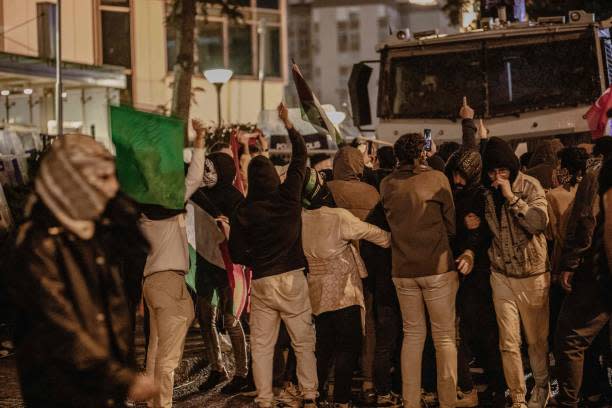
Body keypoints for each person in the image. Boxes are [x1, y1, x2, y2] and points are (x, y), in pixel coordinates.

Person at [6, 134, 158, 407]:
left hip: (102, 393)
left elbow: (114, 307)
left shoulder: (91, 234)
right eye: (101, 178)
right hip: (62, 395)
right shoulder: (37, 243)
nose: (111, 188)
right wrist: (122, 379)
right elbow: (57, 327)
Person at [229, 103, 318, 408]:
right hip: (293, 277)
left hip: (264, 281)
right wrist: (289, 125)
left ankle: (264, 398)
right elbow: (301, 157)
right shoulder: (289, 195)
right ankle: (308, 394)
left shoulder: (244, 210)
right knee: (303, 341)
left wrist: (256, 260)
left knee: (263, 345)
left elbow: (236, 252)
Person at [301, 167, 391, 407]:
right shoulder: (337, 217)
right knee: (347, 347)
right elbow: (374, 233)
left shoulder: (301, 218)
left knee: (324, 346)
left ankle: (317, 393)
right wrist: (394, 240)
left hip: (317, 292)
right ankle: (341, 398)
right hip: (343, 291)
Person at [380, 133, 458, 408]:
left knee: (412, 336)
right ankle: (448, 400)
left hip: (402, 269)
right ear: (421, 154)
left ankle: (410, 400)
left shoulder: (386, 184)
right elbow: (451, 223)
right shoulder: (437, 179)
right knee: (445, 337)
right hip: (437, 266)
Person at [140, 119, 205, 408]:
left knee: (155, 350)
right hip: (168, 281)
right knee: (167, 356)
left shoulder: (144, 209)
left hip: (153, 282)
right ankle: (162, 404)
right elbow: (195, 178)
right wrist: (200, 138)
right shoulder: (165, 207)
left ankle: (153, 401)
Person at [481, 137, 550, 408]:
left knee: (536, 341)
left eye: (503, 171)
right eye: (492, 172)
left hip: (532, 274)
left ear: (511, 168)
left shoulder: (530, 186)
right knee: (508, 342)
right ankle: (518, 397)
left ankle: (542, 387)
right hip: (501, 274)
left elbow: (539, 223)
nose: (497, 178)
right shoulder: (487, 193)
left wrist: (511, 198)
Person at [554, 138, 612, 408]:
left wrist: (570, 263)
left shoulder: (597, 173)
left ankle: (569, 401)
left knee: (570, 338)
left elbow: (586, 222)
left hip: (599, 270)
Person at [189, 151, 251, 395]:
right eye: (204, 169)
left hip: (228, 266)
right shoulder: (198, 195)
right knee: (205, 317)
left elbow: (243, 230)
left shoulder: (235, 198)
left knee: (231, 320)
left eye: (211, 169)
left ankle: (242, 372)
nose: (206, 174)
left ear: (223, 171)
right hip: (205, 264)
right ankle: (217, 368)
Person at [327, 145, 380, 402]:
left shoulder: (327, 192)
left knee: (336, 327)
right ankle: (369, 381)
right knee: (368, 324)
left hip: (333, 268)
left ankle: (333, 380)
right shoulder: (371, 192)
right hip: (368, 267)